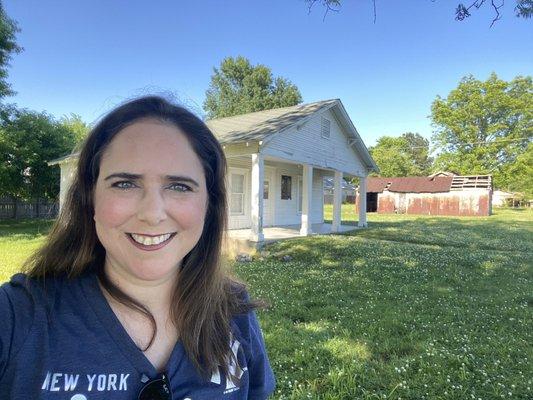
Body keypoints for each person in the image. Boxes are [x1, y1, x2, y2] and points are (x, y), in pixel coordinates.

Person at [0, 96, 276, 399]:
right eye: (125, 183)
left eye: (179, 186)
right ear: (90, 198)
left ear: (210, 205)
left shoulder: (233, 311)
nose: (152, 213)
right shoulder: (18, 317)